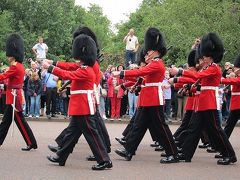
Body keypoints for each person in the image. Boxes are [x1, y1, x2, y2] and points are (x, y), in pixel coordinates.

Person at [44, 34, 112, 170]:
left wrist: (50, 68)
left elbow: (67, 75)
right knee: (71, 133)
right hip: (79, 106)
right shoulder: (83, 68)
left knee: (92, 134)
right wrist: (54, 63)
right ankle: (61, 156)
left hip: (84, 106)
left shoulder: (86, 71)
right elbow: (69, 67)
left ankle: (104, 160)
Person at [170, 33, 237, 165]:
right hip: (201, 103)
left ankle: (230, 155)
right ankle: (185, 153)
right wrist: (180, 80)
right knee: (193, 129)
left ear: (211, 57)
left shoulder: (214, 68)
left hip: (209, 103)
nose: (203, 59)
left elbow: (195, 76)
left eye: (205, 56)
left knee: (216, 130)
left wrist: (180, 71)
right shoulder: (207, 67)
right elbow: (195, 79)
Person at [114, 27, 178, 163]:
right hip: (147, 99)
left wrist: (122, 73)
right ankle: (129, 150)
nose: (146, 53)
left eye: (148, 51)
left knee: (161, 128)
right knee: (138, 126)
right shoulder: (153, 63)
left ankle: (173, 153)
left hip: (154, 98)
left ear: (155, 51)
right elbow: (141, 74)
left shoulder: (157, 64)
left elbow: (139, 73)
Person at [0, 33, 37, 151]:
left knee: (19, 122)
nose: (8, 56)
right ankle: (32, 142)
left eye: (9, 55)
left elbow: (4, 76)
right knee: (7, 122)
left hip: (14, 98)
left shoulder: (15, 66)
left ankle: (31, 142)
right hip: (13, 97)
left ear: (13, 54)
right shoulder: (19, 65)